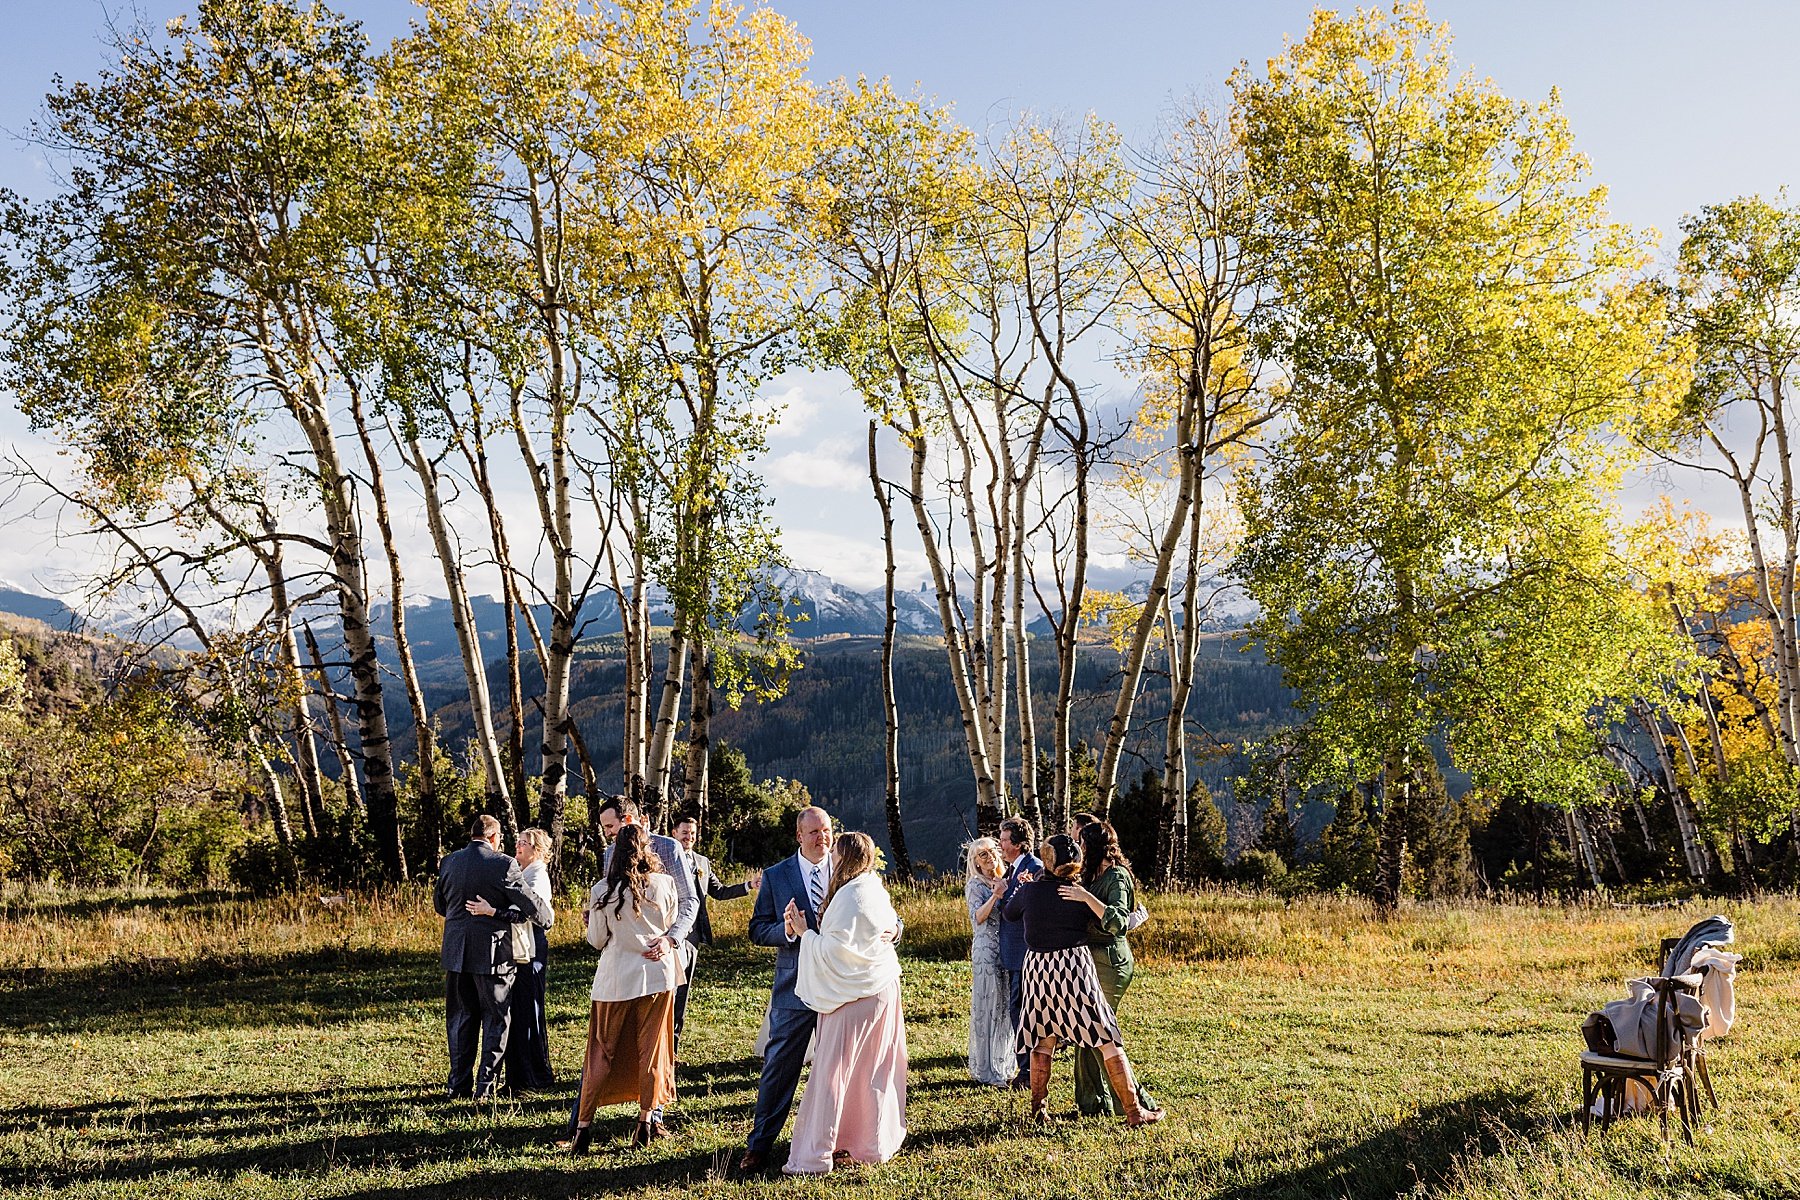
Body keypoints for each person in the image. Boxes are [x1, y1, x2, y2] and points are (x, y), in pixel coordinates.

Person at [738, 806, 899, 1174]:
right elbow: (757, 928)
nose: (822, 838)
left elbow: (883, 912)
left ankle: (840, 1141)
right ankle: (759, 1146)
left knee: (841, 1070)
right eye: (813, 832)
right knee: (779, 1067)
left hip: (844, 992)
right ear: (799, 836)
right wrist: (789, 932)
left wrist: (897, 930)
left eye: (826, 830)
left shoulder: (849, 869)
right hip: (795, 989)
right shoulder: (776, 876)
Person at [1004, 833, 1162, 1129]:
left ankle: (1039, 1112)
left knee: (1042, 1041)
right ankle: (1134, 1112)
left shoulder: (1030, 893)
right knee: (1106, 1038)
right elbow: (1108, 924)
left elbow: (1010, 914)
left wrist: (1025, 887)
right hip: (1075, 967)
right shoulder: (1080, 894)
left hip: (1038, 969)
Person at [564, 797, 699, 1138]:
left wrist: (670, 939)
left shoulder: (669, 849)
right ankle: (644, 1120)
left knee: (605, 1050)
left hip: (632, 969)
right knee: (653, 1049)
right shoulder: (650, 878)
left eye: (611, 827)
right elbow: (645, 910)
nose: (608, 835)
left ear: (627, 821)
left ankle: (630, 1121)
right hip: (657, 973)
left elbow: (690, 901)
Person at [781, 831, 908, 1174]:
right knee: (870, 1071)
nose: (831, 858)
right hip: (879, 988)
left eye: (835, 853)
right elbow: (864, 934)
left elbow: (836, 951)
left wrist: (805, 931)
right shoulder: (871, 886)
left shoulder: (852, 894)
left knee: (831, 1073)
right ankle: (864, 1141)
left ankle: (816, 1153)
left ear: (845, 857)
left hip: (854, 997)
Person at [433, 814, 551, 1101]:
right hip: (493, 954)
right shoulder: (503, 864)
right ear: (495, 838)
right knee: (496, 1019)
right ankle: (484, 1087)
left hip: (456, 952)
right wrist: (543, 917)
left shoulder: (449, 861)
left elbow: (440, 904)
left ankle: (457, 1085)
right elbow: (534, 909)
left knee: (461, 1020)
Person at [1068, 820, 1161, 1118]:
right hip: (1089, 958)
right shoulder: (1093, 872)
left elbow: (1118, 922)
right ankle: (1094, 1103)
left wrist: (1085, 897)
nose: (1079, 849)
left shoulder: (1117, 877)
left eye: (1082, 844)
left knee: (1097, 1032)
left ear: (1094, 846)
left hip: (1111, 962)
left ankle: (1133, 1101)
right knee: (1086, 1033)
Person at [671, 814, 762, 1055]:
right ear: (674, 833)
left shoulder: (702, 862)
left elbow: (719, 892)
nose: (689, 837)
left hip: (693, 938)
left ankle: (673, 1050)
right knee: (668, 992)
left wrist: (749, 886)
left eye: (692, 833)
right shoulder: (666, 859)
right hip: (671, 934)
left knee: (683, 994)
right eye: (685, 833)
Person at [485, 827, 555, 1095]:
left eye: (524, 843)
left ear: (537, 849)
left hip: (531, 947)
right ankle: (525, 1072)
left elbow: (528, 912)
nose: (518, 846)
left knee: (527, 1007)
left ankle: (529, 1076)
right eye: (518, 841)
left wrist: (492, 911)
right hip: (520, 945)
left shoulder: (537, 875)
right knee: (520, 1007)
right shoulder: (524, 871)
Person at [995, 815, 1042, 1089]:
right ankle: (1026, 1067)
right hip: (1014, 952)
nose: (1000, 845)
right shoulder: (1013, 869)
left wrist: (1002, 896)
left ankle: (1026, 1071)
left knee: (1021, 1011)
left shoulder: (1033, 868)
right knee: (1018, 1009)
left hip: (1024, 952)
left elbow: (1019, 913)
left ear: (1020, 843)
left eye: (1004, 840)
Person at [963, 836, 1013, 1085]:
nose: (990, 856)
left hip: (1005, 948)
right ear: (976, 862)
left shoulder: (1006, 879)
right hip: (985, 951)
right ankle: (987, 1069)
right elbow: (977, 918)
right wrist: (995, 896)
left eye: (992, 851)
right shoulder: (975, 885)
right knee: (989, 1005)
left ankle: (1003, 1063)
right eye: (983, 854)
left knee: (1005, 1005)